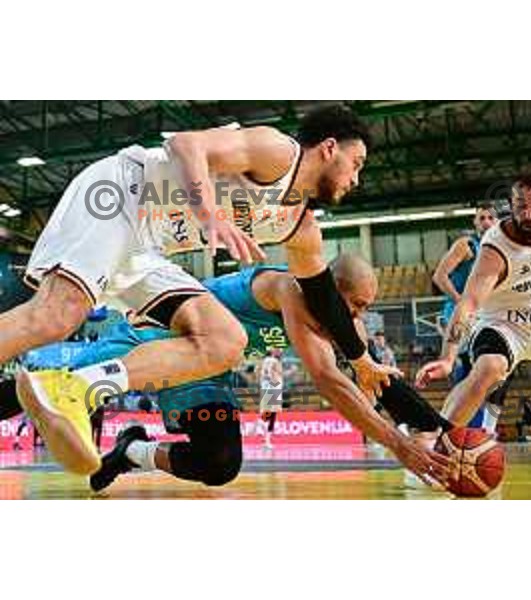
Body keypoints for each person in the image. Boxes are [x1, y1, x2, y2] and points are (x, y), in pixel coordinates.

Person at [11, 105, 398, 474]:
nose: (356, 178)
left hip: (146, 244)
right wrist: (208, 210)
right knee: (56, 316)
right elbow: (185, 144)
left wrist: (362, 360)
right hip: (123, 192)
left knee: (226, 340)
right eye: (356, 164)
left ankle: (75, 387)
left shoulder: (301, 228)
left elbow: (324, 298)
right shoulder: (279, 152)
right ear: (330, 149)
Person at [0, 255, 450, 490]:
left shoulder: (341, 326)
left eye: (365, 308)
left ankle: (131, 450)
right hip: (155, 337)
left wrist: (445, 433)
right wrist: (399, 445)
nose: (357, 316)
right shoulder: (285, 288)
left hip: (205, 369)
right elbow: (328, 380)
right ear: (330, 290)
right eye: (353, 304)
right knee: (41, 388)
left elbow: (375, 379)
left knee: (218, 465)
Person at [416, 170, 531, 429]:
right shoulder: (493, 248)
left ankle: (486, 427)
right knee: (489, 368)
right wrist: (447, 357)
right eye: (520, 207)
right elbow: (468, 303)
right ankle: (439, 443)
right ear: (510, 206)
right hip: (501, 326)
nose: (528, 215)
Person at [433, 204, 501, 431]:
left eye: (491, 217)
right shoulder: (466, 245)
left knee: (492, 370)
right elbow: (439, 276)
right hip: (460, 313)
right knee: (466, 372)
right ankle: (461, 430)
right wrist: (460, 299)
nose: (486, 221)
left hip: (484, 315)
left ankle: (484, 429)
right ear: (474, 222)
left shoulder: (500, 249)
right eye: (481, 218)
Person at [258, 348, 284, 449]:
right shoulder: (274, 361)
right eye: (278, 350)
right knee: (272, 415)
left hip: (265, 388)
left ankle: (266, 440)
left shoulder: (263, 361)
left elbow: (258, 372)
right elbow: (272, 374)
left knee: (267, 414)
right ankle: (267, 440)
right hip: (273, 388)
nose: (280, 352)